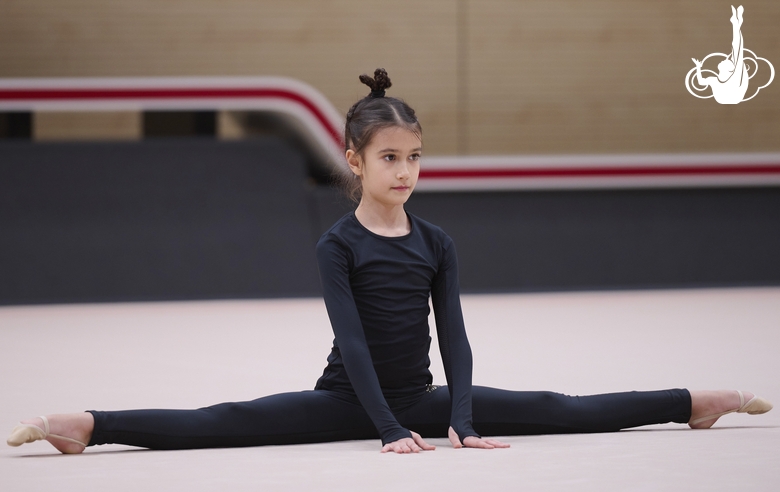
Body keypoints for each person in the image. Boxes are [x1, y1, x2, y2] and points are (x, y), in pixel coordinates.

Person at [7, 68, 773, 455]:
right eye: (390, 158)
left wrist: (462, 421)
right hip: (350, 400)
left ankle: (692, 400)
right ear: (355, 161)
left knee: (558, 407)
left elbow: (459, 340)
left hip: (423, 399)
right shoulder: (339, 243)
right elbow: (359, 343)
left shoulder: (435, 241)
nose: (405, 172)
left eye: (414, 157)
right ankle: (87, 423)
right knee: (227, 422)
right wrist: (383, 429)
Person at [692, 5, 749, 104]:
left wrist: (698, 67)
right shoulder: (716, 80)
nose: (724, 59)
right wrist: (698, 67)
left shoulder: (729, 78)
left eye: (727, 61)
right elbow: (701, 82)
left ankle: (736, 23)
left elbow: (738, 50)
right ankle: (736, 23)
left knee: (737, 51)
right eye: (728, 61)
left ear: (729, 70)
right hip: (730, 97)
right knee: (737, 52)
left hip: (732, 96)